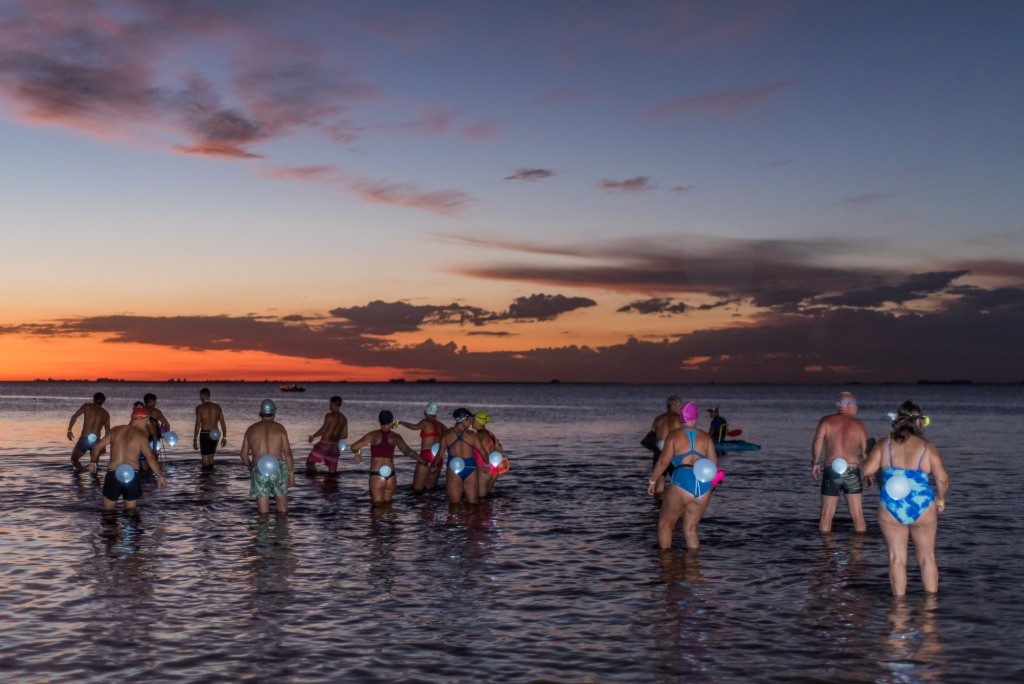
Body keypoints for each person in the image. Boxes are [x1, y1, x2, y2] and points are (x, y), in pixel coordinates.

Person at [862, 401, 949, 596]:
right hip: (923, 505)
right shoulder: (927, 447)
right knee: (927, 558)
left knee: (896, 559)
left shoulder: (885, 444)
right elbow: (942, 478)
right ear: (919, 422)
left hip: (891, 506)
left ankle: (899, 612)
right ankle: (930, 610)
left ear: (897, 421)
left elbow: (867, 470)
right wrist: (941, 499)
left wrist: (872, 458)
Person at [648, 401, 718, 549]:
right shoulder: (706, 438)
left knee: (665, 525)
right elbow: (714, 466)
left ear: (681, 419)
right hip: (704, 486)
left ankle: (666, 565)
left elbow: (663, 462)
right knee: (690, 529)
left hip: (683, 482)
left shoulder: (674, 435)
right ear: (696, 418)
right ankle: (693, 567)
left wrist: (652, 481)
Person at [811, 391, 870, 533]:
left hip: (832, 470)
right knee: (857, 514)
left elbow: (817, 441)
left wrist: (815, 462)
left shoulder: (826, 421)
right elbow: (865, 451)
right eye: (856, 404)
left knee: (826, 515)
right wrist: (868, 472)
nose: (856, 408)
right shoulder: (859, 424)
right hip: (852, 470)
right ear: (848, 405)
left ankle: (826, 550)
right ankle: (858, 551)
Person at [88, 406, 167, 511]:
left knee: (108, 510)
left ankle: (110, 527)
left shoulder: (115, 430)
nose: (147, 424)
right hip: (132, 475)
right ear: (144, 419)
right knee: (131, 511)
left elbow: (96, 447)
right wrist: (160, 477)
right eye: (147, 421)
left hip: (113, 474)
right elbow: (150, 458)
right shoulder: (141, 436)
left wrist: (93, 462)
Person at [350, 410, 425, 506]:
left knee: (377, 507)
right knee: (388, 506)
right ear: (391, 421)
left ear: (380, 421)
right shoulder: (396, 437)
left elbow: (354, 447)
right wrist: (424, 461)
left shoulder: (372, 435)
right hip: (391, 475)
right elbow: (409, 452)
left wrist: (358, 452)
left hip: (377, 474)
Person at [239, 399, 295, 515]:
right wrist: (291, 474)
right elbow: (288, 453)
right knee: (283, 509)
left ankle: (263, 531)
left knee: (263, 513)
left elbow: (243, 455)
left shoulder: (251, 429)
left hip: (259, 468)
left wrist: (251, 468)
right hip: (277, 468)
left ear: (261, 413)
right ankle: (281, 531)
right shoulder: (280, 428)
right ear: (274, 413)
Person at [439, 407, 489, 505]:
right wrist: (487, 464)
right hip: (470, 467)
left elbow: (440, 455)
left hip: (453, 468)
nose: (471, 422)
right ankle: (471, 518)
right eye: (470, 420)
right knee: (473, 503)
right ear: (464, 420)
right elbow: (483, 452)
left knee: (454, 505)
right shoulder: (473, 435)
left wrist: (433, 466)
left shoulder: (446, 434)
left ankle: (456, 519)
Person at [395, 402, 447, 492]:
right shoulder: (443, 426)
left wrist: (400, 422)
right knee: (431, 490)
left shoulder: (425, 422)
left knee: (417, 490)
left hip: (426, 455)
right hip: (438, 457)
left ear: (425, 412)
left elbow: (413, 426)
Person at [645, 395, 682, 495]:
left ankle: (658, 506)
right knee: (679, 483)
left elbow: (651, 436)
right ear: (677, 406)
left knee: (659, 483)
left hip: (660, 452)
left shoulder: (658, 419)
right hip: (675, 452)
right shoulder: (680, 419)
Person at [67, 392, 111, 472]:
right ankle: (94, 480)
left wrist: (69, 430)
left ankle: (82, 472)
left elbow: (75, 416)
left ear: (93, 399)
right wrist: (103, 446)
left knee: (74, 460)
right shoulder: (106, 414)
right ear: (103, 401)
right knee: (94, 464)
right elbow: (108, 431)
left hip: (85, 438)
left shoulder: (87, 406)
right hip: (96, 440)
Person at [306, 395, 350, 474]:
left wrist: (313, 436)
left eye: (330, 403)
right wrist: (336, 437)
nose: (329, 405)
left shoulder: (329, 416)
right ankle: (331, 484)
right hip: (334, 447)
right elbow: (345, 435)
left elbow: (323, 429)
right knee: (332, 471)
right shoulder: (344, 418)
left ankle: (313, 483)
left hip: (324, 444)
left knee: (309, 463)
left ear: (333, 404)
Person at [472, 411, 505, 499]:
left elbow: (468, 445)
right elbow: (500, 449)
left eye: (473, 420)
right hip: (494, 468)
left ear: (478, 421)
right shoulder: (490, 434)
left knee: (481, 500)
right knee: (487, 498)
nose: (471, 422)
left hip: (484, 469)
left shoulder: (479, 434)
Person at [193, 387, 227, 470]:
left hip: (205, 433)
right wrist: (225, 437)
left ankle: (206, 480)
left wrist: (195, 440)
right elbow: (223, 423)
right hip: (215, 434)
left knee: (205, 461)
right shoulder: (217, 407)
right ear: (209, 395)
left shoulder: (199, 408)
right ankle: (212, 479)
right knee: (211, 457)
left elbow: (197, 424)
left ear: (201, 396)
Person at [141, 393, 171, 472]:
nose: (155, 403)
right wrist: (163, 433)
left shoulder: (139, 411)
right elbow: (167, 425)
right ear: (151, 401)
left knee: (142, 460)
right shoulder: (156, 411)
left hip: (141, 437)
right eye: (155, 401)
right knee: (154, 460)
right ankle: (154, 478)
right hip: (153, 438)